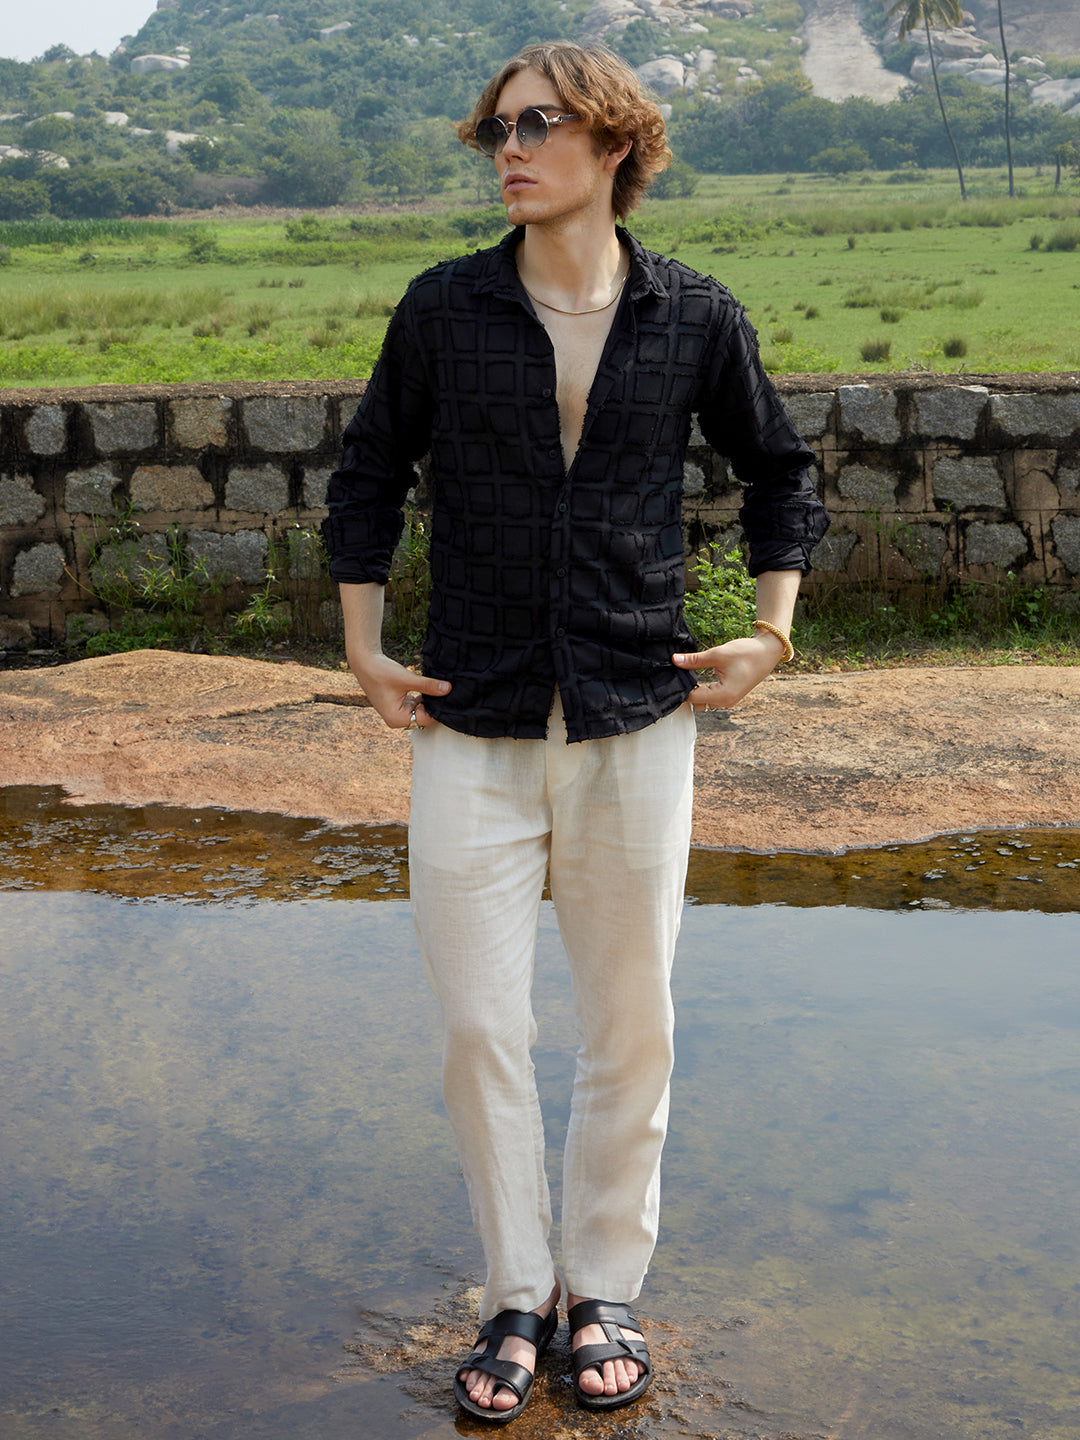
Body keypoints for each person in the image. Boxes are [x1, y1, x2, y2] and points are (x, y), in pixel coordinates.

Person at [322, 41, 829, 1423]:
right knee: (481, 1029)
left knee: (630, 1023)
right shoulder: (444, 308)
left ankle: (602, 1287)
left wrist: (771, 632)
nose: (511, 148)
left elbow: (781, 472)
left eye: (539, 124)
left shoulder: (694, 314)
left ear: (615, 145)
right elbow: (368, 474)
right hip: (470, 720)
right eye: (498, 128)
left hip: (634, 714)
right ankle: (513, 1290)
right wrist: (362, 647)